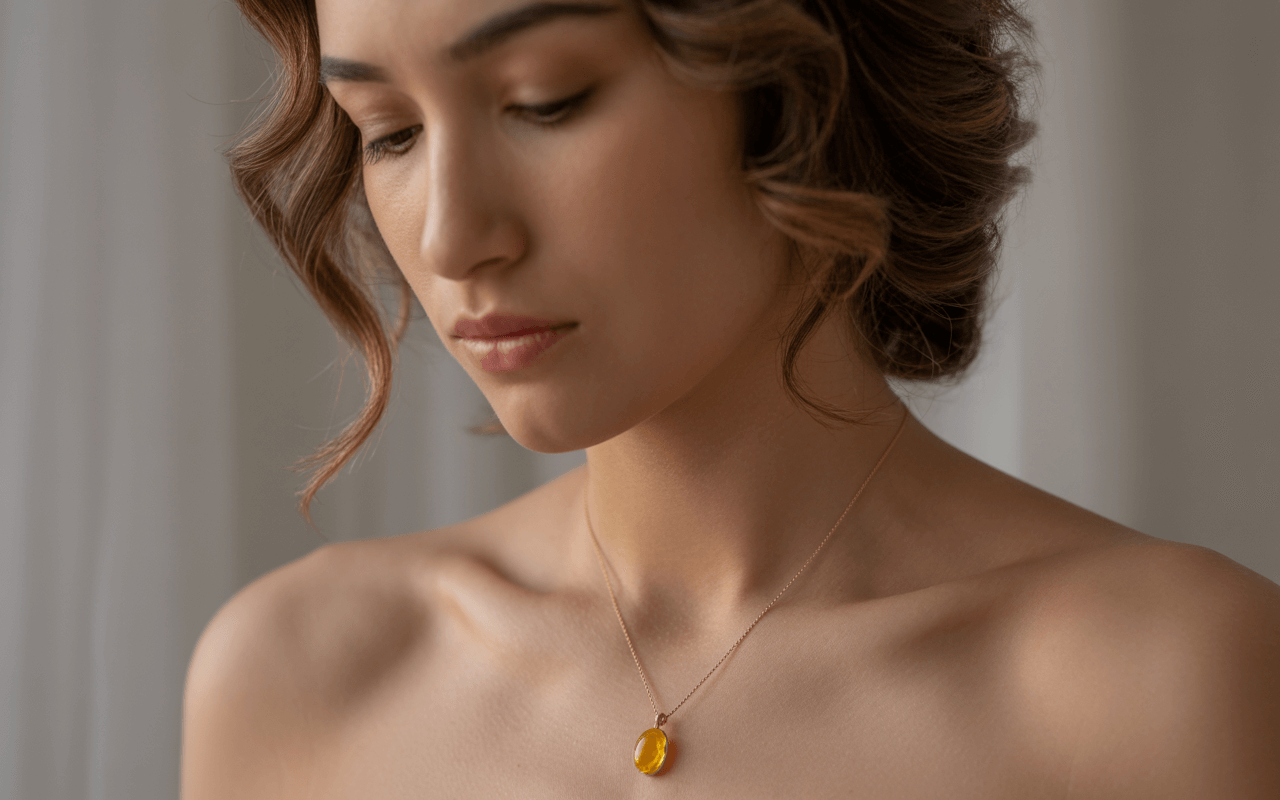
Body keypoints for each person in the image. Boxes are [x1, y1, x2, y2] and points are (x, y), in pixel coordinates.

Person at [181, 0, 1280, 796]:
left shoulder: (1169, 682)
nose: (450, 235)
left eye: (542, 100)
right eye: (391, 133)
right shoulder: (298, 671)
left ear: (803, 88)